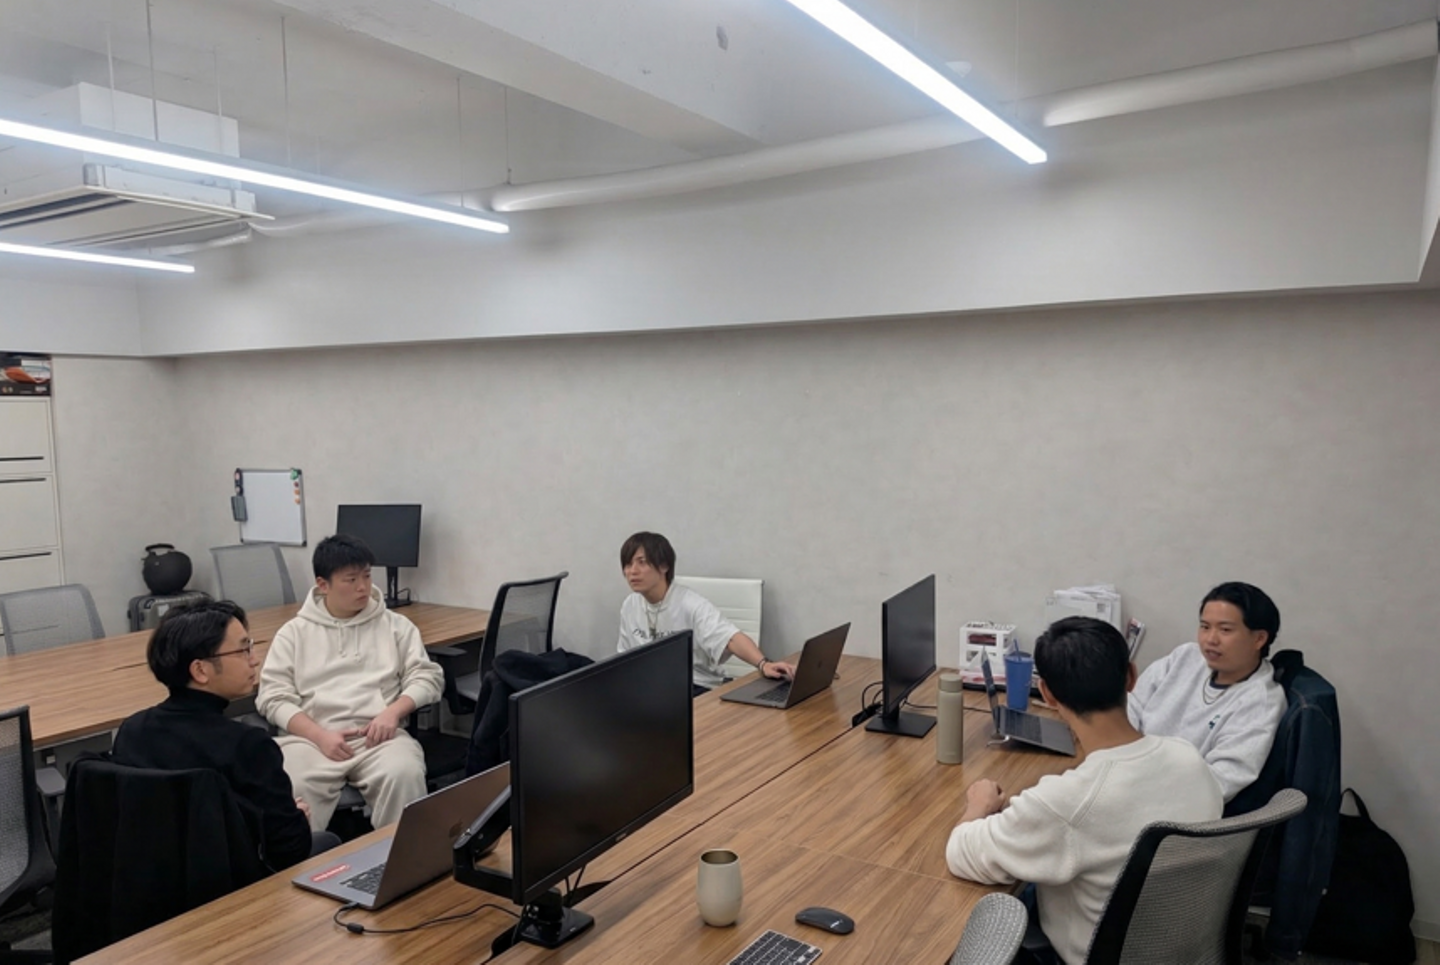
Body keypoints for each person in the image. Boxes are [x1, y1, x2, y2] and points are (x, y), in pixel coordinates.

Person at [946, 616, 1222, 965]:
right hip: (1181, 947)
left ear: (1047, 694)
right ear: (1132, 677)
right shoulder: (1190, 758)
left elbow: (962, 853)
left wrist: (978, 805)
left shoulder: (1067, 802)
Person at [111, 599, 333, 870]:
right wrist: (298, 819)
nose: (255, 659)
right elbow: (288, 852)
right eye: (243, 650)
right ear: (200, 670)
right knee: (329, 842)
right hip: (233, 885)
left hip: (148, 880)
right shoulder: (248, 746)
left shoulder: (132, 731)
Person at [257, 534, 444, 832]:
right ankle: (305, 860)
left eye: (367, 576)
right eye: (351, 579)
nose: (363, 587)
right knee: (292, 785)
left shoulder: (396, 626)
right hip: (310, 741)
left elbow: (428, 677)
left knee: (404, 773)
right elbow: (273, 697)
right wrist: (319, 736)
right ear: (323, 585)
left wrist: (392, 713)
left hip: (379, 738)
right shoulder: (293, 634)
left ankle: (398, 858)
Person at [1127, 581, 1286, 801]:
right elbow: (1129, 707)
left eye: (1225, 630)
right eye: (1205, 627)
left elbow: (1220, 782)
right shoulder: (1184, 658)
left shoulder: (1260, 702)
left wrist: (1141, 785)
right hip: (1127, 773)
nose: (1210, 639)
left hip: (1170, 803)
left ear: (1259, 638)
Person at [618, 531, 794, 696]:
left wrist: (763, 664)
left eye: (642, 562)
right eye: (628, 564)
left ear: (664, 566)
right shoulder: (630, 605)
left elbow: (730, 638)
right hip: (651, 688)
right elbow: (624, 659)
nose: (632, 571)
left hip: (695, 686)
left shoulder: (689, 603)